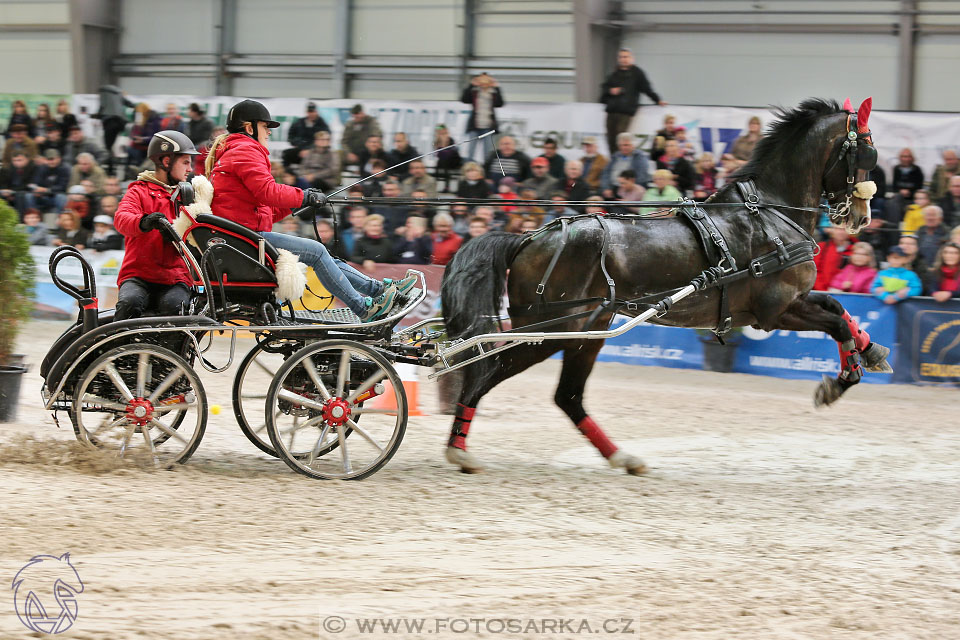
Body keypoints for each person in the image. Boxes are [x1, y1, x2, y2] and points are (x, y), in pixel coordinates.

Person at [206, 100, 411, 321]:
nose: (268, 133)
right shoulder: (245, 150)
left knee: (324, 255)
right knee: (317, 251)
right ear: (249, 128)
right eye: (265, 127)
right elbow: (268, 191)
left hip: (245, 238)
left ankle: (377, 290)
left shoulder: (235, 151)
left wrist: (300, 201)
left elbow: (264, 211)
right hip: (245, 241)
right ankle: (364, 309)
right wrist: (303, 195)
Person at [111, 130, 196, 320]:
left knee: (176, 306)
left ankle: (168, 350)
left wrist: (183, 235)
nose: (190, 169)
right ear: (166, 162)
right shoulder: (139, 191)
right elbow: (121, 219)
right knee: (129, 302)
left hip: (176, 278)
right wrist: (144, 222)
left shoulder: (189, 196)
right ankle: (123, 349)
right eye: (185, 162)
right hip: (138, 276)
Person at [599, 48, 666, 156]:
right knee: (610, 139)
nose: (623, 59)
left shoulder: (637, 73)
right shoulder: (614, 73)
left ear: (631, 58)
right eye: (621, 57)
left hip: (625, 112)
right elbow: (604, 88)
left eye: (626, 57)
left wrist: (658, 100)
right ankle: (614, 159)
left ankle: (622, 158)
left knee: (621, 138)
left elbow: (647, 89)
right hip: (611, 111)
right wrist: (610, 91)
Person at [461, 73, 504, 162]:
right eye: (482, 80)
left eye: (486, 80)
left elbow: (500, 103)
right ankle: (468, 171)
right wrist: (471, 85)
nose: (484, 83)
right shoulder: (475, 92)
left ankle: (486, 172)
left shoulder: (493, 93)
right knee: (470, 152)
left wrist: (497, 88)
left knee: (488, 153)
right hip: (475, 126)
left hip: (488, 127)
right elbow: (464, 99)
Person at [96, 85, 135, 172]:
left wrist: (98, 114)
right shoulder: (118, 93)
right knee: (116, 147)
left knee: (108, 147)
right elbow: (129, 103)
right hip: (120, 123)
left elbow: (103, 105)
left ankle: (110, 169)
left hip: (110, 122)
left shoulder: (104, 92)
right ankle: (117, 166)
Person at [601, 133, 650, 197]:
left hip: (629, 190)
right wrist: (606, 188)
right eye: (621, 145)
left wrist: (627, 188)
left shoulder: (640, 157)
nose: (624, 147)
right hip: (612, 187)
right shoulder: (615, 156)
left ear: (633, 145)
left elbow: (641, 177)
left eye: (627, 145)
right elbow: (606, 173)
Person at [283, 102, 330, 168]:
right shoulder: (299, 122)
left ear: (316, 112)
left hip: (316, 151)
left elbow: (325, 139)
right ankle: (287, 174)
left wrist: (309, 150)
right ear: (307, 112)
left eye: (313, 111)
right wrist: (298, 145)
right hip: (300, 149)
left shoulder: (322, 124)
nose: (311, 114)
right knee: (287, 154)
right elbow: (291, 136)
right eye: (310, 111)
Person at [813, 227, 853, 291]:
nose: (841, 232)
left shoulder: (855, 249)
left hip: (845, 293)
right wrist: (823, 290)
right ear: (831, 230)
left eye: (845, 229)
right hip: (821, 291)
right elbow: (815, 271)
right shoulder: (822, 247)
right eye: (838, 229)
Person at [433, 124, 461, 192]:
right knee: (439, 164)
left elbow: (450, 153)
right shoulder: (436, 141)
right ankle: (434, 186)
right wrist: (441, 142)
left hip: (454, 161)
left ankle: (447, 187)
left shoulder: (451, 140)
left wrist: (444, 142)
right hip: (443, 161)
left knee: (444, 162)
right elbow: (438, 154)